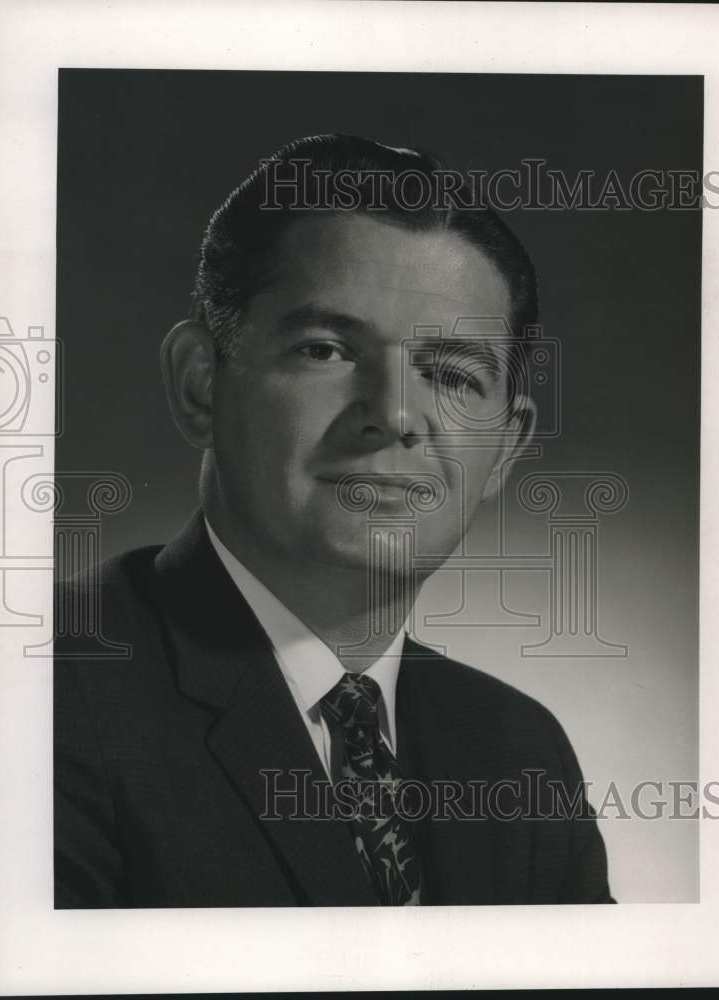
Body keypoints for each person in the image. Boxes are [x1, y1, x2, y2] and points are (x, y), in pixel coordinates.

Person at [54, 134, 614, 907]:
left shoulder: (518, 752)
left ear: (506, 447)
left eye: (449, 374)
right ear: (199, 387)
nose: (392, 415)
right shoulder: (39, 703)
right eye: (325, 349)